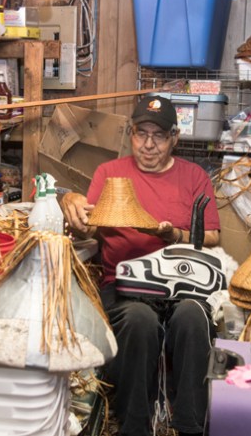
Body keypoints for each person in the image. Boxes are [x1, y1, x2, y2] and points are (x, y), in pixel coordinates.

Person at [61, 95, 221, 436]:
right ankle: (134, 426)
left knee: (193, 317)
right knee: (139, 320)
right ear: (130, 134)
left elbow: (212, 236)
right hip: (123, 286)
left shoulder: (193, 177)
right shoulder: (110, 173)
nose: (148, 145)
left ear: (174, 137)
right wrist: (69, 201)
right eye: (140, 133)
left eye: (159, 136)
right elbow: (87, 226)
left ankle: (190, 425)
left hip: (181, 284)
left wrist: (172, 234)